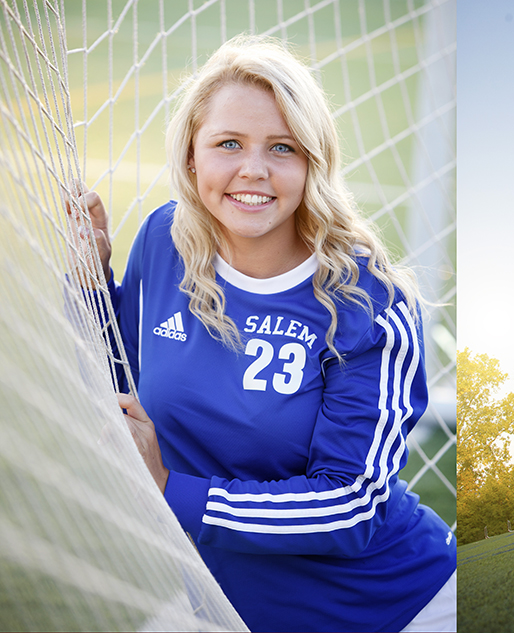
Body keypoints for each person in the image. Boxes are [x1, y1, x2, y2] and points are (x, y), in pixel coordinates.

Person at [76, 35, 456, 632]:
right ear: (192, 156)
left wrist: (171, 489)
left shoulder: (364, 302)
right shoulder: (164, 240)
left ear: (313, 162)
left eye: (282, 147)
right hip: (224, 605)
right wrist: (90, 283)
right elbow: (123, 383)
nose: (253, 169)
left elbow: (349, 506)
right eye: (229, 143)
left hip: (388, 609)